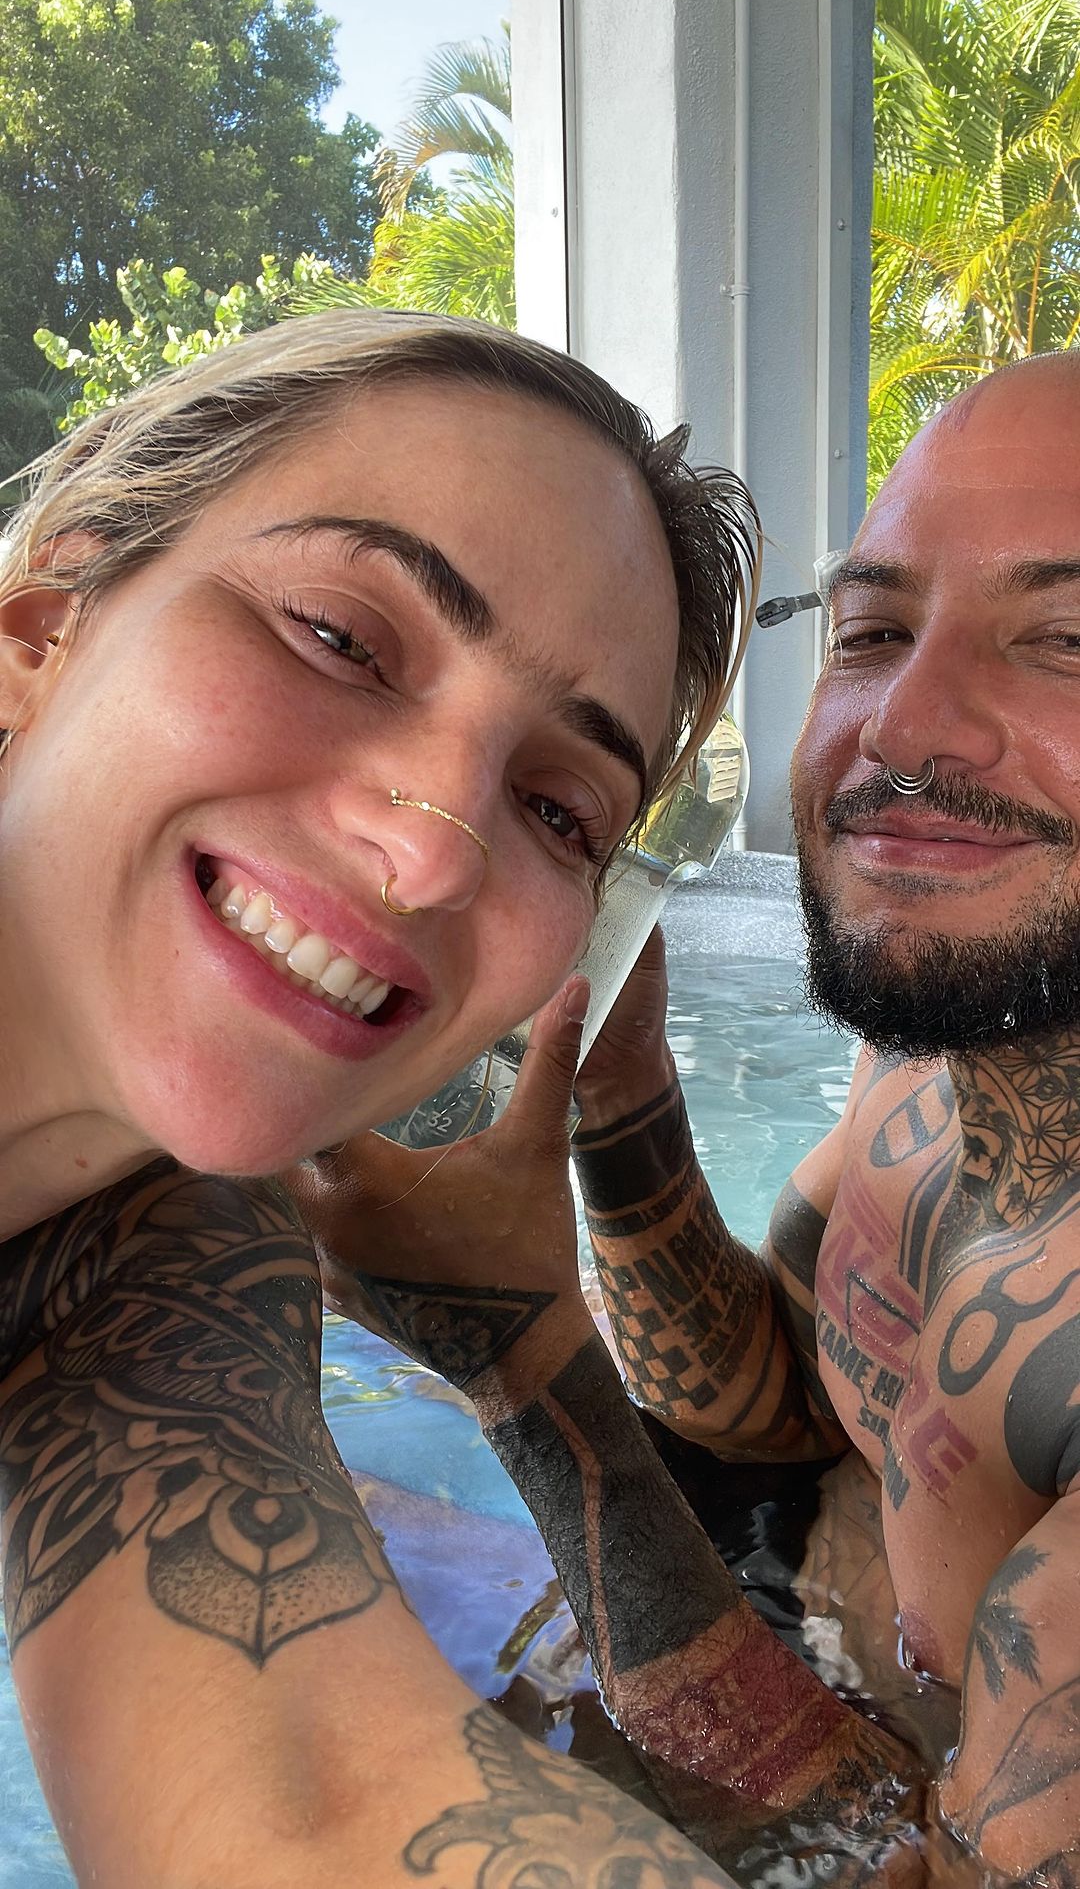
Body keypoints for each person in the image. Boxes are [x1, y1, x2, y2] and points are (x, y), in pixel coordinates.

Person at [0, 305, 800, 1888]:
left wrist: (524, 1334)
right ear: (41, 634)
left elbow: (321, 1790)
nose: (435, 852)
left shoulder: (154, 1256)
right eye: (342, 640)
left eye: (560, 809)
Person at [300, 351, 1080, 1887]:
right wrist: (618, 1091)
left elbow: (895, 1865)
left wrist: (523, 1364)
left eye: (1066, 642)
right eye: (872, 632)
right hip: (783, 1633)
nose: (905, 725)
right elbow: (779, 1401)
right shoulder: (953, 1045)